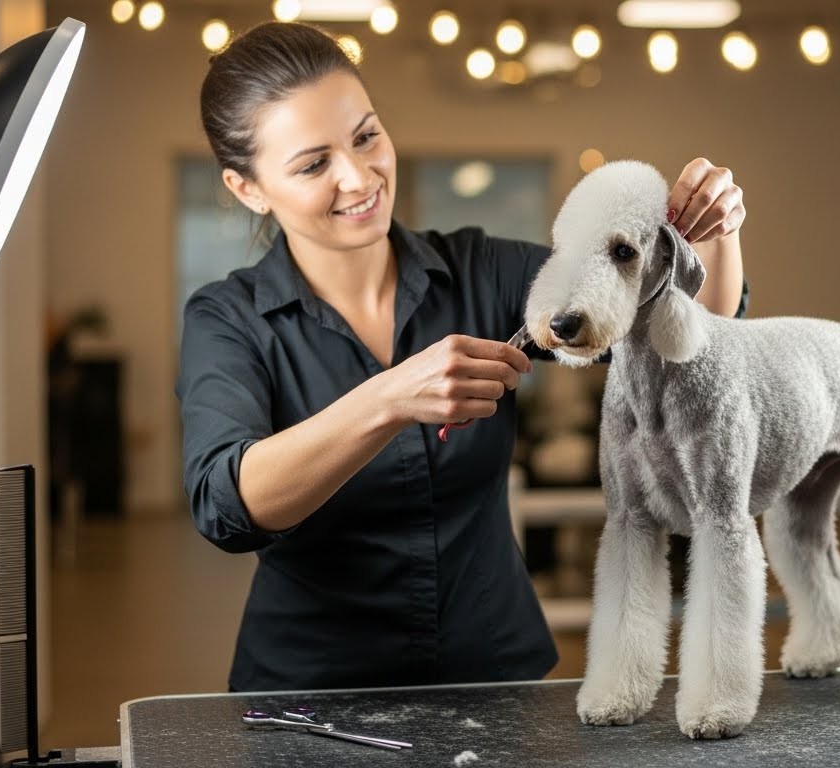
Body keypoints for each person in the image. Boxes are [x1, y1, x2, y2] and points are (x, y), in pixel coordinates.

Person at [177, 20, 750, 693]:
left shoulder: (486, 271)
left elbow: (687, 337)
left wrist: (716, 232)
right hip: (311, 693)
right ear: (247, 188)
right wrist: (388, 399)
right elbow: (225, 503)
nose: (359, 177)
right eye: (312, 164)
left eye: (367, 137)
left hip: (496, 675)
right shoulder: (227, 319)